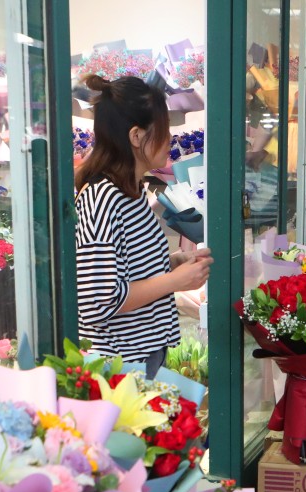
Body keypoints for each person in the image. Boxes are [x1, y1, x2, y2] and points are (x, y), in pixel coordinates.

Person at [74, 75, 211, 374]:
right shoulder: (102, 199)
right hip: (117, 362)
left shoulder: (130, 191)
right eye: (163, 131)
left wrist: (173, 263)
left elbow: (126, 267)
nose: (171, 140)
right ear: (136, 136)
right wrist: (175, 282)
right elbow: (99, 301)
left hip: (141, 351)